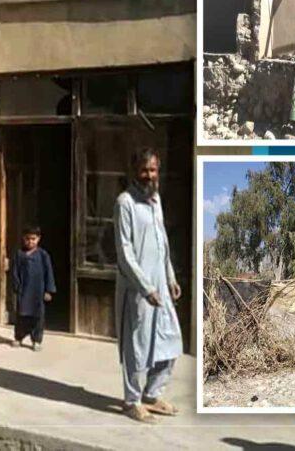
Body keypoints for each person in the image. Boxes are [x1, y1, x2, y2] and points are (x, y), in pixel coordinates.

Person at [114, 148, 182, 423]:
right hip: (138, 288)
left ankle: (152, 395)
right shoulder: (125, 203)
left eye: (153, 170)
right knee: (136, 346)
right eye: (144, 170)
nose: (149, 175)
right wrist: (146, 287)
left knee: (171, 339)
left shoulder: (155, 200)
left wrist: (171, 278)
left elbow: (162, 243)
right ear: (134, 171)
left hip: (160, 287)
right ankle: (132, 401)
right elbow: (125, 251)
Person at [11, 225, 56, 351]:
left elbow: (49, 272)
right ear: (23, 238)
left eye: (33, 239)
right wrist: (16, 286)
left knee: (38, 316)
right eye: (27, 239)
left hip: (38, 291)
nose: (30, 242)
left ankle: (36, 340)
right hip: (24, 291)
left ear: (38, 239)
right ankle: (19, 337)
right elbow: (15, 272)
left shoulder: (43, 255)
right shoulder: (19, 254)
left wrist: (48, 290)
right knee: (21, 315)